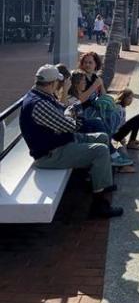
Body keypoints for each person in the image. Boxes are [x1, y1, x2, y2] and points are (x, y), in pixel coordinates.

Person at [20, 65, 122, 218]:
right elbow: (70, 125)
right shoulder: (39, 103)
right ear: (52, 83)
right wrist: (70, 114)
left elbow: (64, 112)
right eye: (58, 82)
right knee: (100, 150)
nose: (60, 85)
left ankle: (99, 183)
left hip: (58, 144)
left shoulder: (41, 96)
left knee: (102, 136)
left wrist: (68, 113)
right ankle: (98, 205)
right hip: (50, 154)